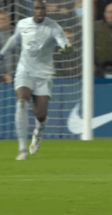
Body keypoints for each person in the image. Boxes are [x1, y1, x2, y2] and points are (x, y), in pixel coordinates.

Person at [0, 0, 71, 160]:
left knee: (40, 114)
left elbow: (63, 42)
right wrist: (2, 53)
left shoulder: (54, 27)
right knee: (21, 101)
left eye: (42, 9)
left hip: (44, 75)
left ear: (46, 11)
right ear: (33, 10)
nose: (40, 11)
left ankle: (39, 131)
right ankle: (22, 149)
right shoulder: (22, 24)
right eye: (37, 8)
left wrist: (67, 48)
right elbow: (14, 39)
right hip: (24, 71)